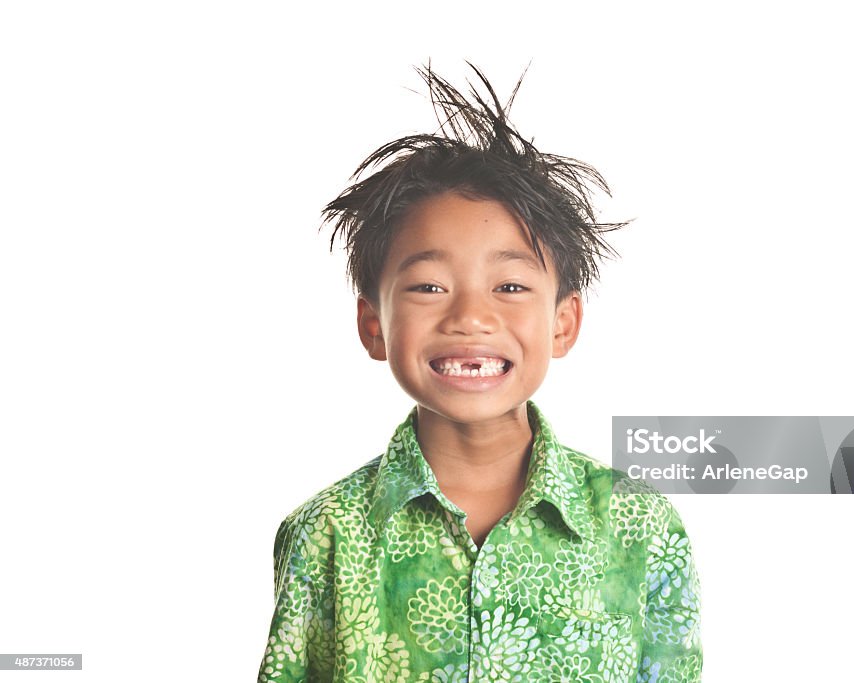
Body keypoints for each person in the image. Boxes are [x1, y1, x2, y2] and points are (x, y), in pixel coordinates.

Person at [257, 64, 702, 683]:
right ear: (373, 324)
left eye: (511, 285)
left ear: (563, 322)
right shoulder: (325, 533)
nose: (471, 316)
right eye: (429, 286)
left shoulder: (639, 525)